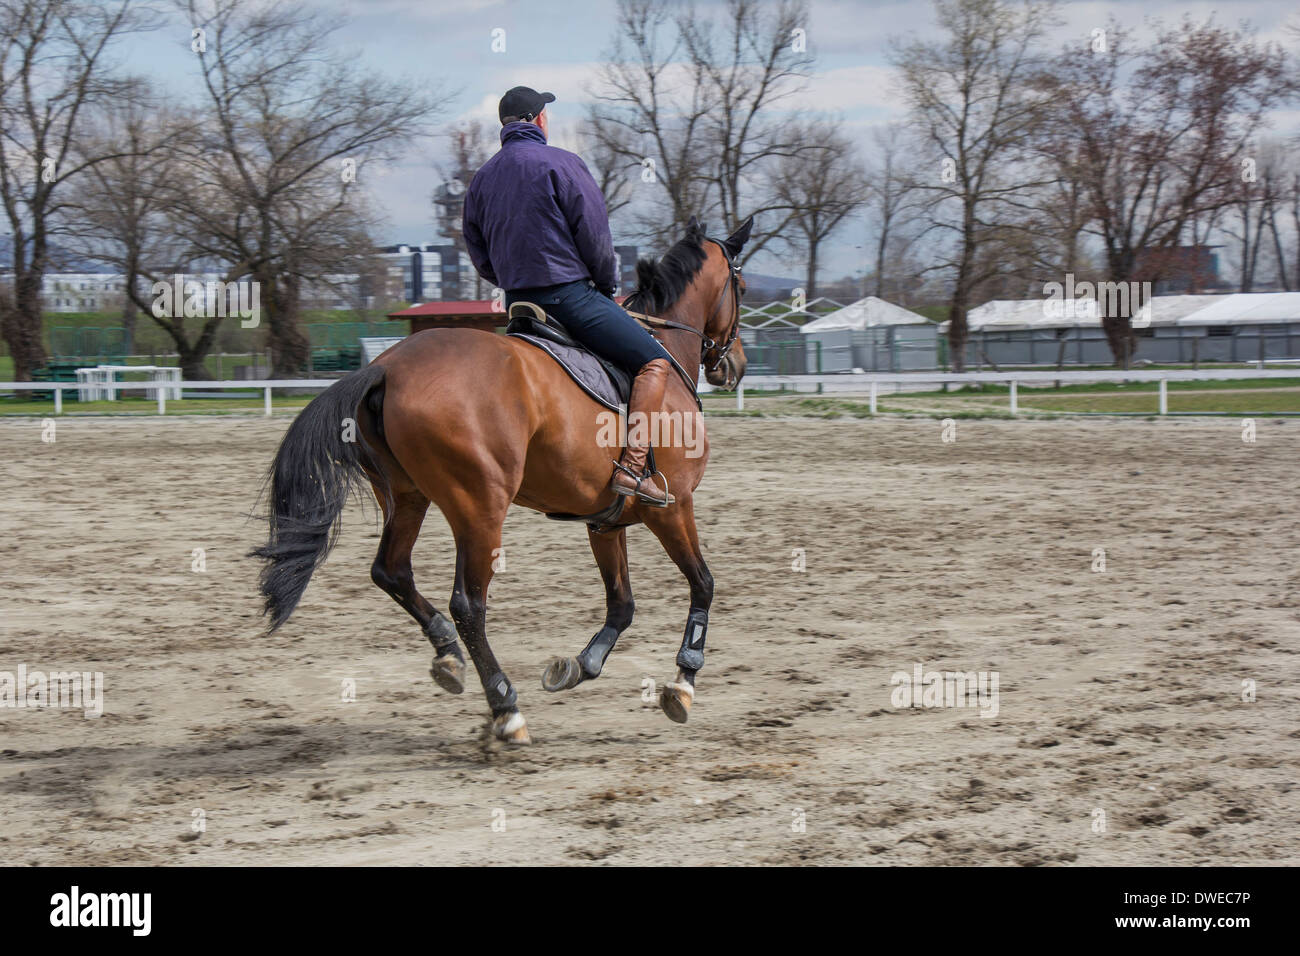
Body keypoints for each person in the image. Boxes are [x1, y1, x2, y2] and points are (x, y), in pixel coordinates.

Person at [462, 85, 675, 507]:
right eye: (546, 113)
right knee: (654, 361)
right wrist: (606, 286)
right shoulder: (563, 163)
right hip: (570, 299)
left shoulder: (482, 178)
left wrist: (509, 277)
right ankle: (633, 468)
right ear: (538, 119)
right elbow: (595, 236)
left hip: (518, 305)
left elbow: (478, 252)